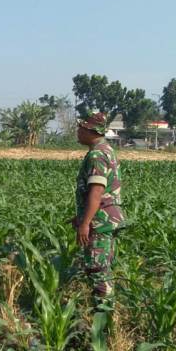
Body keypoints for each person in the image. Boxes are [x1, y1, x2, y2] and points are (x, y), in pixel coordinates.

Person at [72, 111, 125, 309]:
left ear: (90, 130)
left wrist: (85, 223)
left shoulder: (96, 155)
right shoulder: (107, 150)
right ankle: (105, 315)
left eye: (81, 128)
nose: (78, 131)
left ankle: (103, 319)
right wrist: (80, 216)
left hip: (100, 222)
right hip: (106, 218)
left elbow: (96, 192)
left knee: (98, 269)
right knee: (102, 266)